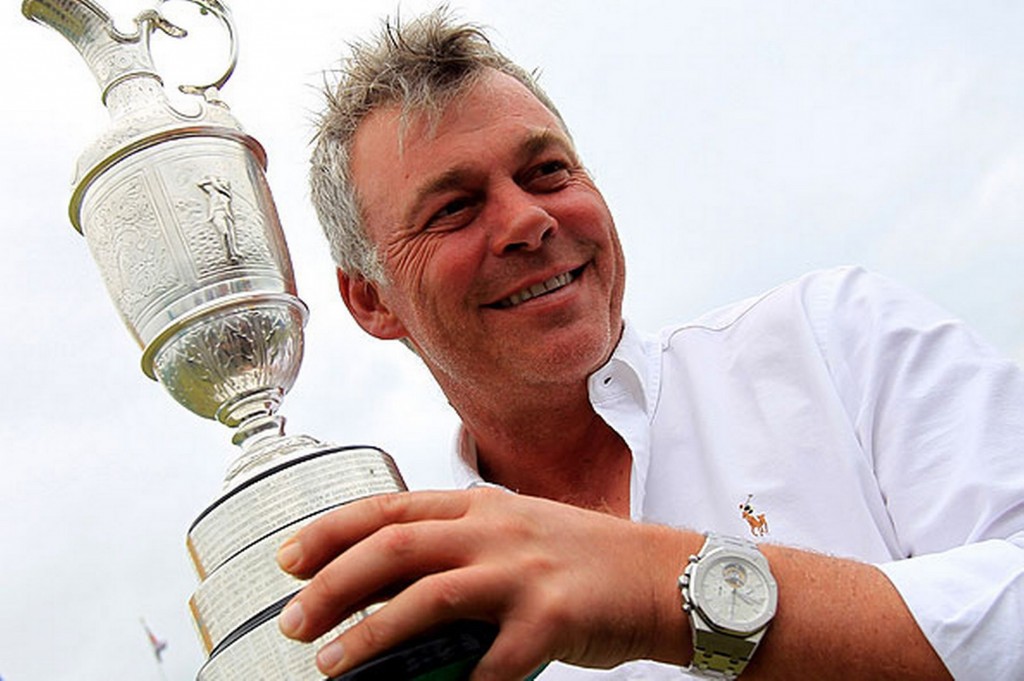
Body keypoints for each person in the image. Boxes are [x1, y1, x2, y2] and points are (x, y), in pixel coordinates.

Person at [274, 8, 1024, 680]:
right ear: (372, 300)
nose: (528, 220)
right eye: (454, 207)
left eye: (548, 171)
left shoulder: (837, 338)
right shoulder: (431, 617)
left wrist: (657, 585)